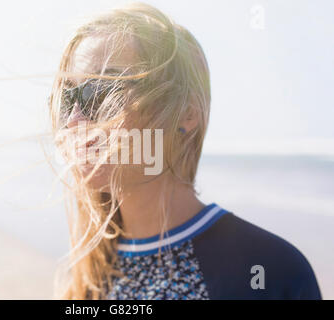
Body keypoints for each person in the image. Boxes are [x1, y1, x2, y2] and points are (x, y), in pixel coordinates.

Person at [47, 2, 321, 300]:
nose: (74, 121)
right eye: (67, 98)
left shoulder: (269, 270)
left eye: (101, 91)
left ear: (186, 114)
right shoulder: (92, 278)